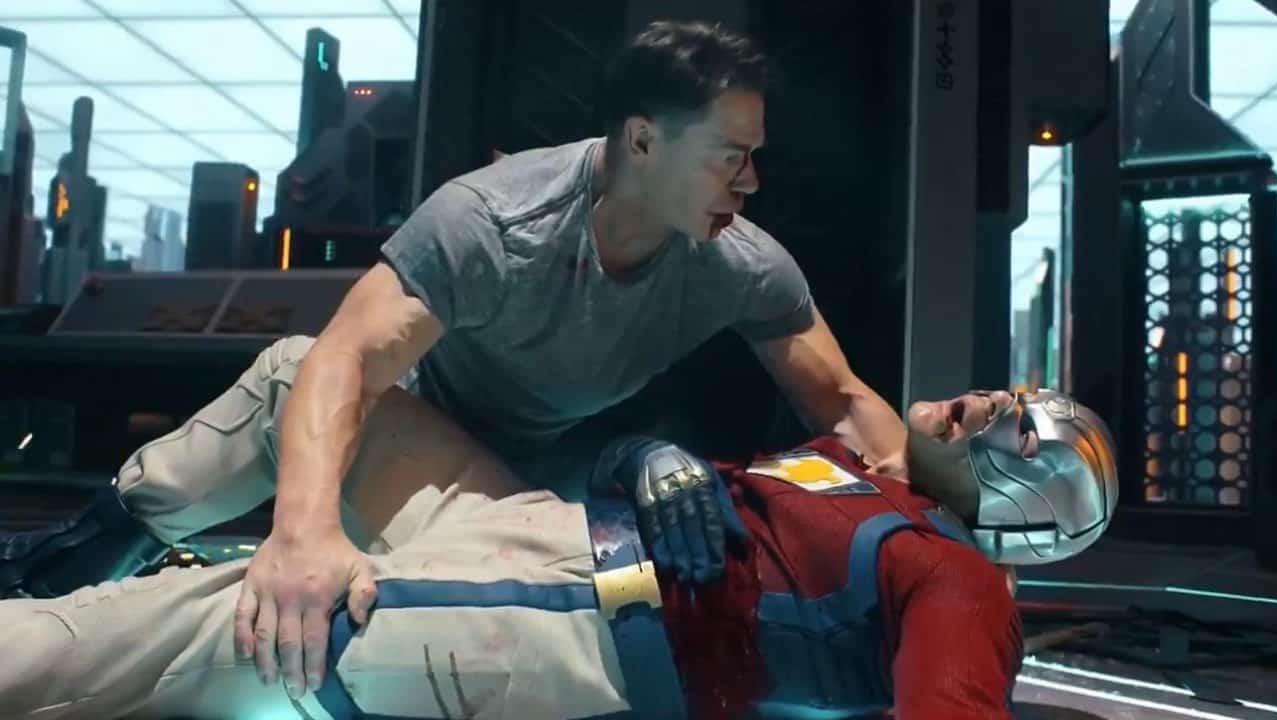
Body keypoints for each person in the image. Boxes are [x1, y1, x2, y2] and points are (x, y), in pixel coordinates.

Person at [1, 20, 912, 696]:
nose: (751, 182)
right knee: (294, 373)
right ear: (643, 141)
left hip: (513, 498)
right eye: (730, 158)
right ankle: (67, 568)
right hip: (391, 450)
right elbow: (345, 361)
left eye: (753, 158)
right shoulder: (494, 220)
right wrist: (303, 536)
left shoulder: (738, 264)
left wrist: (935, 515)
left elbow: (843, 402)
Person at [0, 387, 1119, 720]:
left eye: (1019, 429)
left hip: (558, 612)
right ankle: (65, 560)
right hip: (537, 531)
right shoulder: (859, 473)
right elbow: (631, 468)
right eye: (1009, 395)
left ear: (1032, 504)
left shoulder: (959, 583)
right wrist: (652, 455)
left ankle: (45, 624)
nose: (989, 403)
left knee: (175, 632)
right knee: (313, 379)